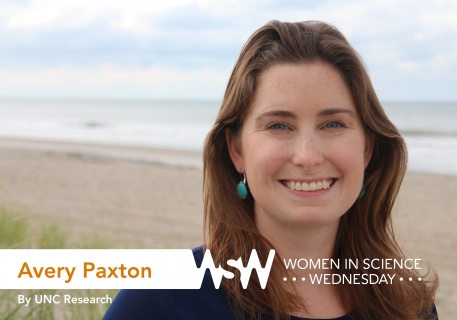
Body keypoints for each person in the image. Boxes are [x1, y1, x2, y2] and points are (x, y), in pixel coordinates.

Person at [104, 20, 438, 320]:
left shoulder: (408, 304)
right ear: (237, 150)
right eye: (279, 126)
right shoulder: (161, 298)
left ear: (367, 148)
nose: (307, 156)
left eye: (333, 123)